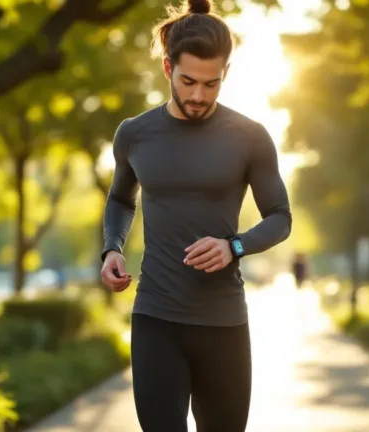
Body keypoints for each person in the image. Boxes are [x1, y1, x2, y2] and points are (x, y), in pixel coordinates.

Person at [99, 0, 292, 430]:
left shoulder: (250, 137)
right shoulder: (135, 134)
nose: (198, 96)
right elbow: (120, 200)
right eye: (188, 81)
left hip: (223, 323)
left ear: (226, 74)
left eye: (211, 84)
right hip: (156, 320)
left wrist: (234, 246)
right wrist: (111, 248)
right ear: (168, 68)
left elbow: (280, 216)